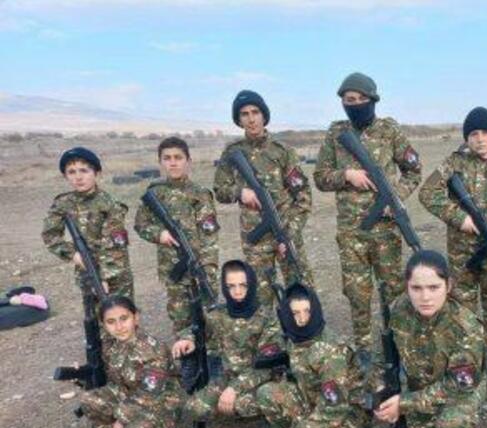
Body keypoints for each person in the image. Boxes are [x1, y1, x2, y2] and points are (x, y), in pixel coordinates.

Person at [313, 72, 422, 371]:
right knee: (357, 294)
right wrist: (346, 175)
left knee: (392, 290)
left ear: (373, 100)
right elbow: (320, 177)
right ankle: (362, 349)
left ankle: (396, 345)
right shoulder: (336, 133)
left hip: (385, 230)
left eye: (362, 99)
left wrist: (395, 198)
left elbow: (413, 170)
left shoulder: (389, 130)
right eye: (350, 100)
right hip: (351, 232)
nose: (356, 104)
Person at [375, 250, 486, 428]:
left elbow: (459, 384)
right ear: (407, 287)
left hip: (459, 391)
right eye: (417, 288)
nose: (425, 297)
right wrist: (382, 393)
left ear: (448, 285)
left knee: (451, 423)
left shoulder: (465, 326)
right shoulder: (398, 311)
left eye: (434, 287)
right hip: (418, 391)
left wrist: (404, 404)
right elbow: (383, 357)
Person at [418, 107, 487, 384]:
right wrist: (460, 218)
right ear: (466, 137)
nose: (480, 139)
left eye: (486, 133)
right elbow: (427, 193)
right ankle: (465, 359)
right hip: (462, 256)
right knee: (461, 310)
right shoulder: (453, 164)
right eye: (474, 134)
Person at [255, 282, 368, 428]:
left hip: (342, 414)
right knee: (266, 393)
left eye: (307, 311)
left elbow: (336, 406)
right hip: (313, 401)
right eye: (295, 313)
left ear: (315, 309)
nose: (302, 319)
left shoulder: (329, 350)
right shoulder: (295, 336)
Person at [214, 90, 314, 306]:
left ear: (264, 115)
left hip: (285, 232)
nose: (251, 119)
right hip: (255, 239)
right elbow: (220, 189)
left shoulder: (282, 151)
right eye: (244, 114)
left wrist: (289, 233)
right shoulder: (232, 152)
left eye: (255, 112)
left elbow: (303, 197)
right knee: (260, 297)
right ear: (238, 119)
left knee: (301, 291)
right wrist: (239, 192)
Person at [173, 260, 284, 423]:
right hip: (227, 376)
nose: (237, 291)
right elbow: (198, 328)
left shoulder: (267, 319)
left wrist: (234, 388)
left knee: (243, 404)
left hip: (258, 378)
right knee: (195, 409)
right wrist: (186, 339)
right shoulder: (219, 313)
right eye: (231, 286)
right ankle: (229, 405)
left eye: (243, 285)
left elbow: (268, 366)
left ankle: (260, 410)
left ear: (252, 284)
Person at [79, 296, 184, 428]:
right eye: (111, 322)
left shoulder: (154, 350)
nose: (119, 327)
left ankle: (167, 427)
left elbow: (148, 393)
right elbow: (109, 379)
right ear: (104, 325)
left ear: (135, 318)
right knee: (88, 400)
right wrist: (82, 376)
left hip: (159, 402)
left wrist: (121, 420)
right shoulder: (110, 345)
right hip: (128, 393)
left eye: (124, 318)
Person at [134, 137, 219, 334]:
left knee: (210, 316)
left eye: (178, 157)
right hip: (172, 266)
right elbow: (140, 224)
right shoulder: (155, 193)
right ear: (160, 162)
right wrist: (159, 234)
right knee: (180, 316)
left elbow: (209, 236)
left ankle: (208, 349)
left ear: (188, 161)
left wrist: (207, 268)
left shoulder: (201, 194)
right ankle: (185, 348)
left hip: (200, 264)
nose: (173, 163)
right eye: (167, 158)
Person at [42, 147, 134, 299]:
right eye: (71, 172)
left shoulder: (111, 205)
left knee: (121, 312)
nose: (78, 177)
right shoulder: (62, 203)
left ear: (97, 173)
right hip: (86, 272)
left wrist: (104, 278)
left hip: (115, 274)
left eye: (84, 171)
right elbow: (50, 235)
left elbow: (115, 246)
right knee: (92, 312)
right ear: (65, 176)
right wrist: (73, 255)